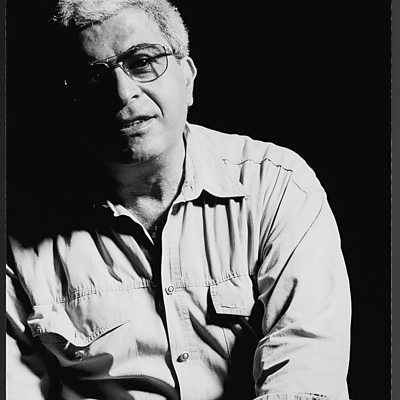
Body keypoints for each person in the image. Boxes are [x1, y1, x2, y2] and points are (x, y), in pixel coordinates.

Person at [6, 0, 352, 399]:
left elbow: (305, 372)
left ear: (187, 77)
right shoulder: (17, 234)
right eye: (92, 76)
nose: (122, 93)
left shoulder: (275, 185)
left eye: (142, 62)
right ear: (72, 100)